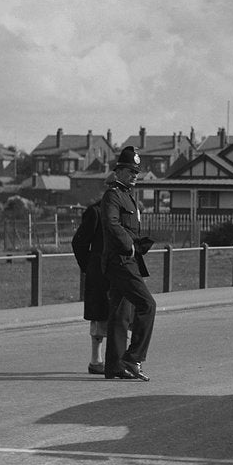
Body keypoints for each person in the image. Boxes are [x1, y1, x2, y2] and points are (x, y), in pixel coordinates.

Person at [101, 147, 156, 381]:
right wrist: (129, 245)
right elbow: (112, 223)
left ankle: (115, 366)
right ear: (119, 171)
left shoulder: (128, 195)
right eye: (130, 171)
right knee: (147, 305)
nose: (134, 175)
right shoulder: (113, 195)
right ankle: (133, 358)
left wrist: (138, 244)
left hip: (127, 259)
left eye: (136, 172)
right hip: (120, 261)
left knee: (120, 313)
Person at [72, 188, 123, 375]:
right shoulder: (95, 212)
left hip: (121, 270)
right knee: (99, 316)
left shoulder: (126, 211)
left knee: (122, 315)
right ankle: (96, 360)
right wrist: (90, 266)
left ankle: (118, 360)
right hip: (100, 274)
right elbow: (79, 242)